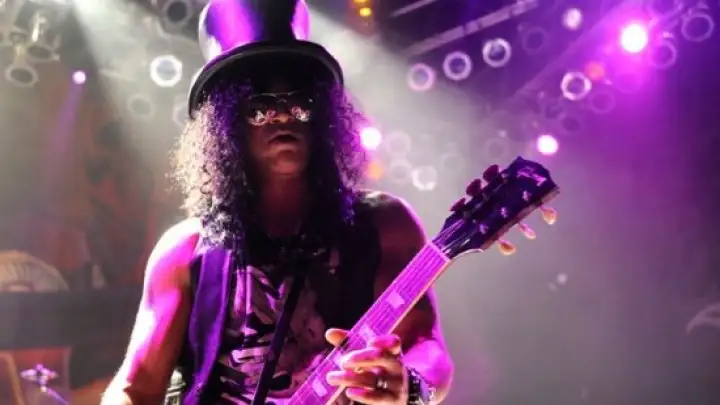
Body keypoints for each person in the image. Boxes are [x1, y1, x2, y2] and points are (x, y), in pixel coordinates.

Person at [101, 0, 454, 404]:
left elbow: (425, 343)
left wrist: (412, 385)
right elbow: (137, 386)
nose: (283, 117)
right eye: (260, 108)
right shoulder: (186, 250)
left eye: (300, 104)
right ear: (227, 125)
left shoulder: (385, 224)